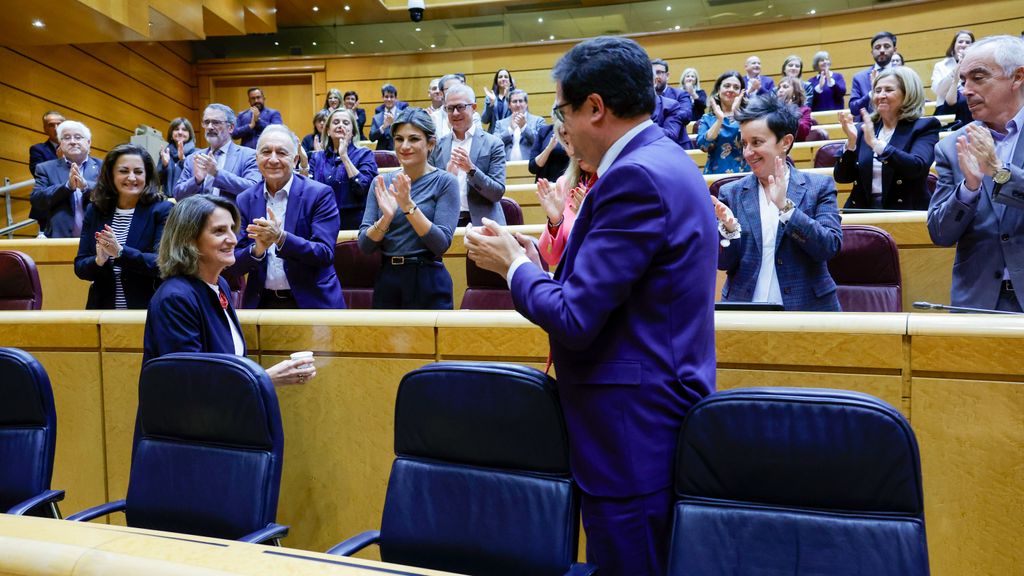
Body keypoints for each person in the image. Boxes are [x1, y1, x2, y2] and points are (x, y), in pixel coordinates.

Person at [464, 36, 717, 576]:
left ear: (595, 108)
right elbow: (619, 294)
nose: (563, 129)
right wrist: (541, 266)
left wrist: (513, 267)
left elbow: (577, 318)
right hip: (647, 418)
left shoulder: (635, 177)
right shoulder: (664, 159)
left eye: (563, 111)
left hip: (631, 434)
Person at [142, 194, 317, 386]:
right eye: (219, 231)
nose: (233, 239)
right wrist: (266, 379)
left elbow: (227, 366)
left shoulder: (220, 285)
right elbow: (190, 385)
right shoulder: (175, 299)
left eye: (232, 229)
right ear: (189, 240)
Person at [712, 96, 842, 311]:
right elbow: (723, 263)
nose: (747, 153)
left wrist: (786, 208)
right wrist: (729, 231)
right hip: (745, 310)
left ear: (786, 142)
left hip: (807, 312)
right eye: (744, 143)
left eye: (757, 143)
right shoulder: (730, 193)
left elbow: (828, 248)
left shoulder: (819, 187)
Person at [927, 35, 1024, 312]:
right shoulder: (951, 146)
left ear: (1017, 77)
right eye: (963, 81)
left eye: (978, 78)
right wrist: (969, 189)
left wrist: (998, 172)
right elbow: (940, 234)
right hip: (978, 303)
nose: (966, 90)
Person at [227, 125, 345, 309]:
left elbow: (324, 254)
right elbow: (232, 263)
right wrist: (257, 250)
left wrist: (280, 238)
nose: (273, 159)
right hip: (263, 303)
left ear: (295, 159)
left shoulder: (319, 194)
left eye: (281, 153)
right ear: (257, 158)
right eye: (266, 152)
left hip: (313, 302)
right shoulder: (245, 199)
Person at [358, 108, 459, 309]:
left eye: (413, 139)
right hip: (388, 278)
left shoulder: (445, 182)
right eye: (399, 139)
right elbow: (365, 246)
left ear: (430, 143)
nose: (404, 146)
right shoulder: (381, 182)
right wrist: (385, 219)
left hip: (428, 278)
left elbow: (440, 244)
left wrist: (407, 206)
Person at [75, 144, 173, 309]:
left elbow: (163, 263)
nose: (132, 177)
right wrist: (99, 260)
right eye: (124, 171)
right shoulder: (96, 210)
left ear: (147, 175)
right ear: (111, 175)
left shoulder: (162, 210)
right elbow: (80, 267)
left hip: (148, 308)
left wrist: (120, 252)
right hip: (103, 309)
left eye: (138, 172)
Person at [835, 66, 940, 211]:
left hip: (905, 212)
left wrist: (876, 145)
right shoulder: (863, 128)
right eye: (877, 91)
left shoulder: (924, 127)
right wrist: (851, 144)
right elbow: (842, 177)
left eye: (889, 90)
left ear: (908, 93)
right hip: (861, 212)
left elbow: (917, 168)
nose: (880, 96)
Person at [428, 83, 507, 226]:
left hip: (484, 223)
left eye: (460, 107)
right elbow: (429, 192)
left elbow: (497, 193)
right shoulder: (437, 146)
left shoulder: (494, 144)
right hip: (445, 224)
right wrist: (447, 178)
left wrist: (471, 170)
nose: (455, 113)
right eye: (450, 108)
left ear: (474, 108)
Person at [535, 121, 596, 267]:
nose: (572, 151)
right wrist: (555, 221)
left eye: (576, 141)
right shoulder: (565, 183)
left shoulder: (615, 180)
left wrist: (590, 217)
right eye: (567, 144)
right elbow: (551, 258)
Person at [30, 120, 102, 238]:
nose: (73, 142)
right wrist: (67, 187)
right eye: (67, 138)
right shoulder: (45, 168)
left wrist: (86, 186)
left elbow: (112, 196)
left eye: (78, 137)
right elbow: (37, 200)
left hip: (97, 239)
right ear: (60, 144)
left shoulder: (103, 166)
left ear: (88, 142)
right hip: (60, 240)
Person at [309, 108, 378, 230]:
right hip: (322, 221)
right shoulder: (317, 157)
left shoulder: (365, 154)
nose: (340, 125)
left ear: (353, 132)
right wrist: (303, 166)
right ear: (328, 131)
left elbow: (364, 188)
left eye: (346, 123)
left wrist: (344, 156)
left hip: (355, 224)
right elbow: (308, 193)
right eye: (336, 122)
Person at [174, 104, 260, 202]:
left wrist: (217, 173)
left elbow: (254, 190)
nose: (210, 127)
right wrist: (196, 180)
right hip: (198, 216)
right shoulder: (193, 158)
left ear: (231, 127)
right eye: (206, 122)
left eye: (216, 122)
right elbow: (178, 195)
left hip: (231, 216)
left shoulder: (249, 155)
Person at [697, 71, 749, 175]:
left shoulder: (749, 116)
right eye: (727, 86)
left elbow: (752, 141)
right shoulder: (707, 118)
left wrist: (737, 113)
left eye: (736, 87)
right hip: (715, 175)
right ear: (718, 90)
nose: (731, 90)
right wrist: (719, 120)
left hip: (743, 174)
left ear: (741, 93)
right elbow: (703, 146)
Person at [850, 31, 898, 117]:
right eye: (877, 47)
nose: (882, 50)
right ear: (872, 52)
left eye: (886, 46)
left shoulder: (904, 74)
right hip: (870, 126)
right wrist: (872, 93)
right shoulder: (860, 78)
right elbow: (854, 109)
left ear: (894, 50)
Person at [494, 89, 545, 161]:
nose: (518, 105)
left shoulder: (538, 121)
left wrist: (524, 127)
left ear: (526, 104)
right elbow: (494, 144)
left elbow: (541, 143)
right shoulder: (500, 123)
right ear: (509, 105)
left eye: (521, 101)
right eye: (514, 101)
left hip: (530, 166)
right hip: (506, 167)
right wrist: (510, 130)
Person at [933, 31, 975, 115]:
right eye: (960, 41)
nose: (963, 45)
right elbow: (938, 90)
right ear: (954, 45)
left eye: (967, 42)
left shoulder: (977, 65)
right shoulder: (941, 65)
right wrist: (956, 70)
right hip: (946, 108)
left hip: (970, 107)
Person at [159, 117, 196, 196]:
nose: (180, 132)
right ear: (171, 134)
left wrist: (183, 160)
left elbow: (197, 179)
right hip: (168, 200)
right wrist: (164, 166)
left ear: (190, 134)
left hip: (188, 200)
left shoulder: (196, 153)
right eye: (176, 129)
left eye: (184, 129)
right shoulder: (165, 153)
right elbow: (157, 180)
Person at [776, 76, 814, 141]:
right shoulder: (771, 109)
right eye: (779, 88)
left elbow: (802, 134)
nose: (780, 90)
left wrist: (790, 111)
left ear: (795, 92)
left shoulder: (805, 110)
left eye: (785, 87)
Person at [29, 110, 64, 177]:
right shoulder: (37, 150)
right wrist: (60, 161)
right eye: (51, 125)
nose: (56, 128)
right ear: (45, 129)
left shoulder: (76, 148)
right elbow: (39, 174)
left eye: (59, 124)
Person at [481, 68, 514, 133]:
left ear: (510, 81)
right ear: (496, 81)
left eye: (506, 77)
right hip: (494, 135)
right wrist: (491, 104)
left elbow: (517, 115)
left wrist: (508, 98)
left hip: (510, 134)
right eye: (500, 77)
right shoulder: (490, 97)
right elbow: (484, 120)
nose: (503, 79)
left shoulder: (514, 97)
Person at [369, 83, 401, 151]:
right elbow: (372, 138)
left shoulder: (402, 115)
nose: (389, 99)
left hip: (399, 153)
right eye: (386, 97)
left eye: (392, 97)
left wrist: (393, 125)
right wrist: (383, 127)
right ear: (383, 98)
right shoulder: (376, 117)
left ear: (396, 98)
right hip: (381, 155)